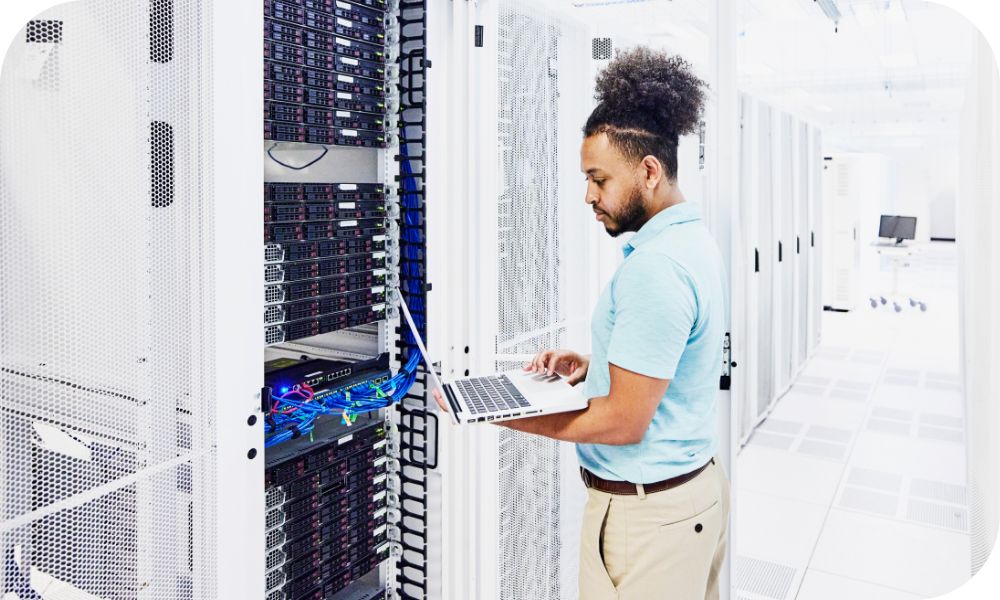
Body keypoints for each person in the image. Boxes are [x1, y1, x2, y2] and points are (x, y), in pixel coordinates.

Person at [434, 47, 729, 600]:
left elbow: (622, 422)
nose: (589, 196)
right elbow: (675, 356)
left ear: (648, 171)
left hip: (651, 522)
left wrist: (498, 410)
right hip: (685, 502)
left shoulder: (657, 267)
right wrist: (599, 362)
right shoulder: (689, 240)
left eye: (598, 178)